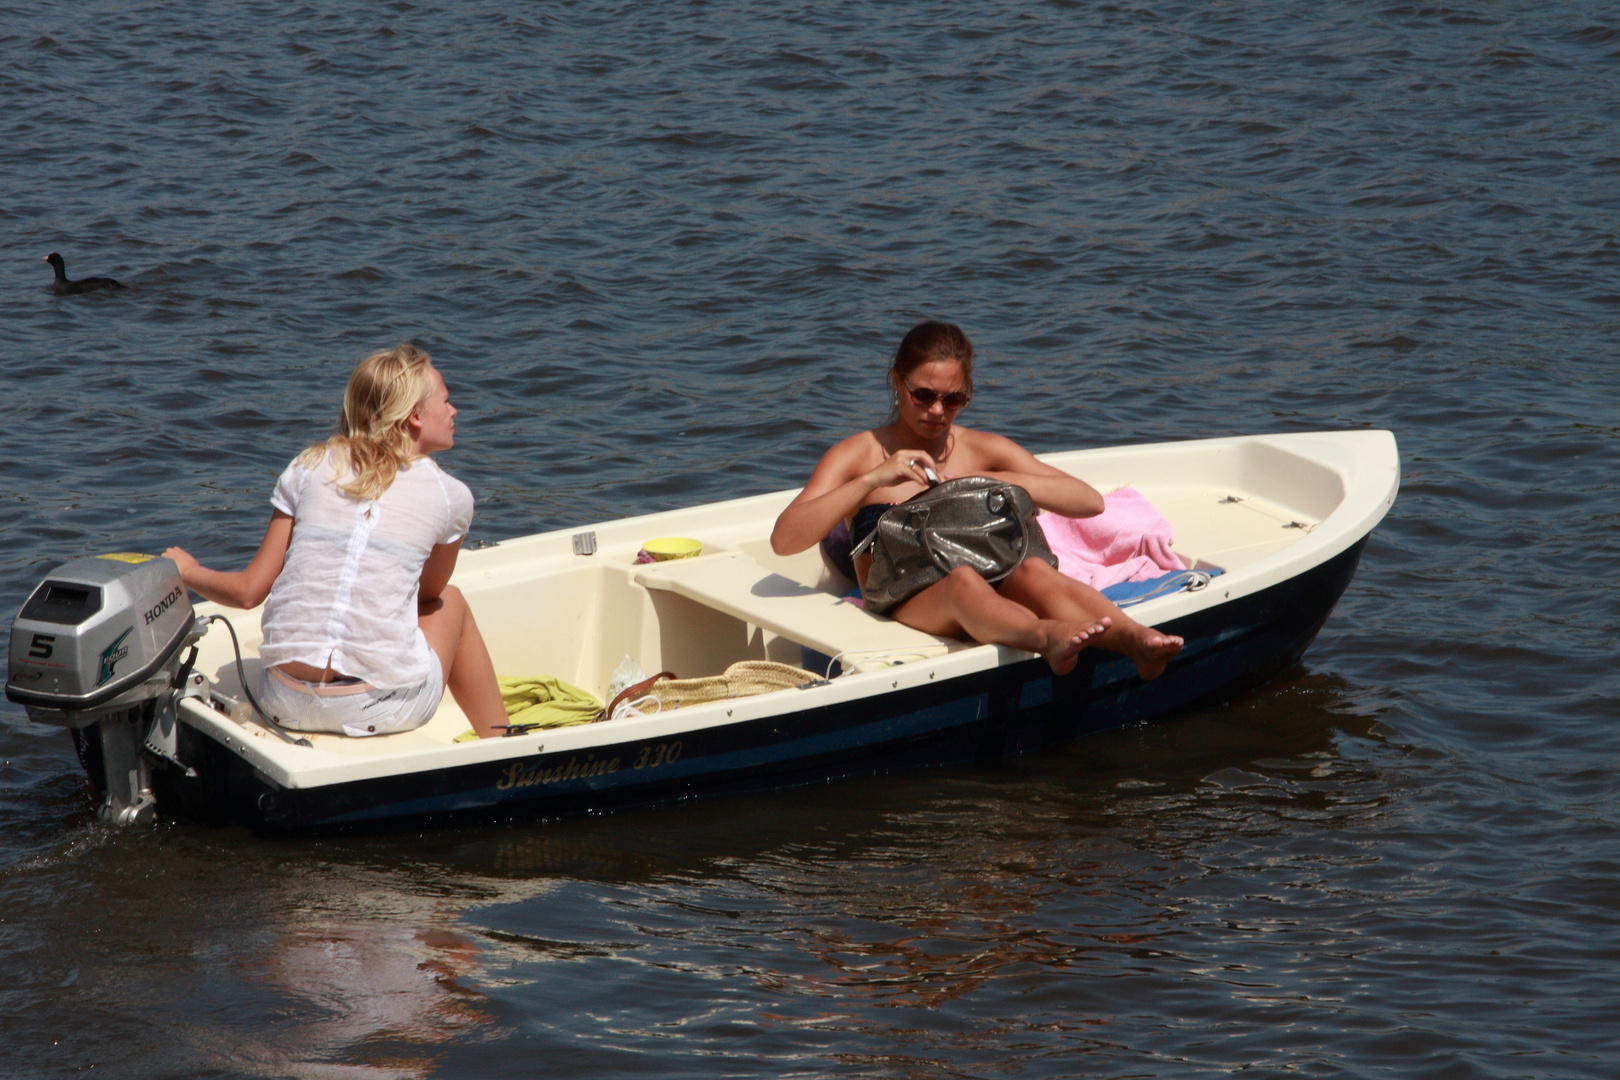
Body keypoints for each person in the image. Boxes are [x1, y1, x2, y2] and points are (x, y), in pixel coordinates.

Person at [770, 321, 1184, 678]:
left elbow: (1087, 501)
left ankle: (1136, 640)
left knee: (1034, 573)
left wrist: (988, 477)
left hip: (996, 572)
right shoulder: (859, 455)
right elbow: (784, 540)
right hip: (906, 593)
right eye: (923, 395)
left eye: (953, 400)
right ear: (897, 381)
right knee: (963, 583)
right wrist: (874, 479)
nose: (937, 411)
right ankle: (1047, 637)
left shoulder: (981, 448)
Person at [163, 344, 508, 739]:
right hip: (379, 705)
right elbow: (428, 595)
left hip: (283, 699)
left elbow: (247, 593)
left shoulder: (308, 466)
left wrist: (188, 571)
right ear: (414, 417)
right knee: (454, 602)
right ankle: (504, 744)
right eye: (446, 401)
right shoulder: (451, 495)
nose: (454, 411)